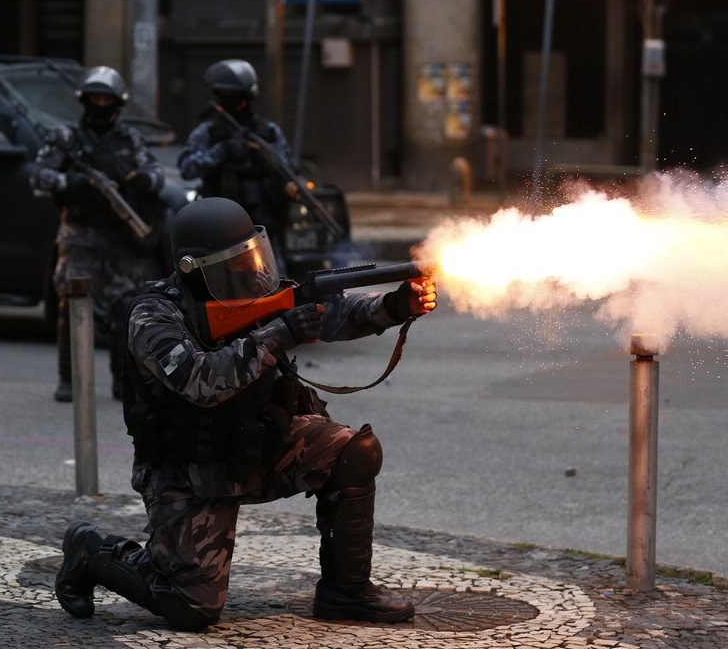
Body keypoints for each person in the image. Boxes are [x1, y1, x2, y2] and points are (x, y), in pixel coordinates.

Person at [54, 197, 437, 631]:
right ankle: (92, 552)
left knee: (354, 451)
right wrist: (280, 335)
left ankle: (346, 592)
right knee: (191, 607)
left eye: (250, 257)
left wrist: (393, 306)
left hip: (259, 446)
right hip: (190, 471)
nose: (248, 270)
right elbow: (202, 381)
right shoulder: (154, 315)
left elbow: (337, 311)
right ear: (192, 268)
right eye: (232, 263)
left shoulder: (255, 289)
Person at [29, 65, 166, 402]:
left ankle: (123, 383)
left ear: (117, 103)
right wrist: (71, 183)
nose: (100, 104)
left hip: (120, 237)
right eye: (95, 99)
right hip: (80, 235)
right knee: (74, 305)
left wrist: (134, 178)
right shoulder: (66, 139)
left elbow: (156, 176)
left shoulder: (129, 139)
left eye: (107, 99)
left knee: (124, 309)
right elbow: (38, 178)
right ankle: (69, 380)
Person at [177, 59, 300, 267]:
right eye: (223, 95)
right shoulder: (208, 132)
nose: (228, 101)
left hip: (264, 228)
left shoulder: (267, 133)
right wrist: (222, 151)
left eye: (234, 96)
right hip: (220, 231)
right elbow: (187, 168)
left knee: (274, 282)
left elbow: (287, 169)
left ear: (247, 98)